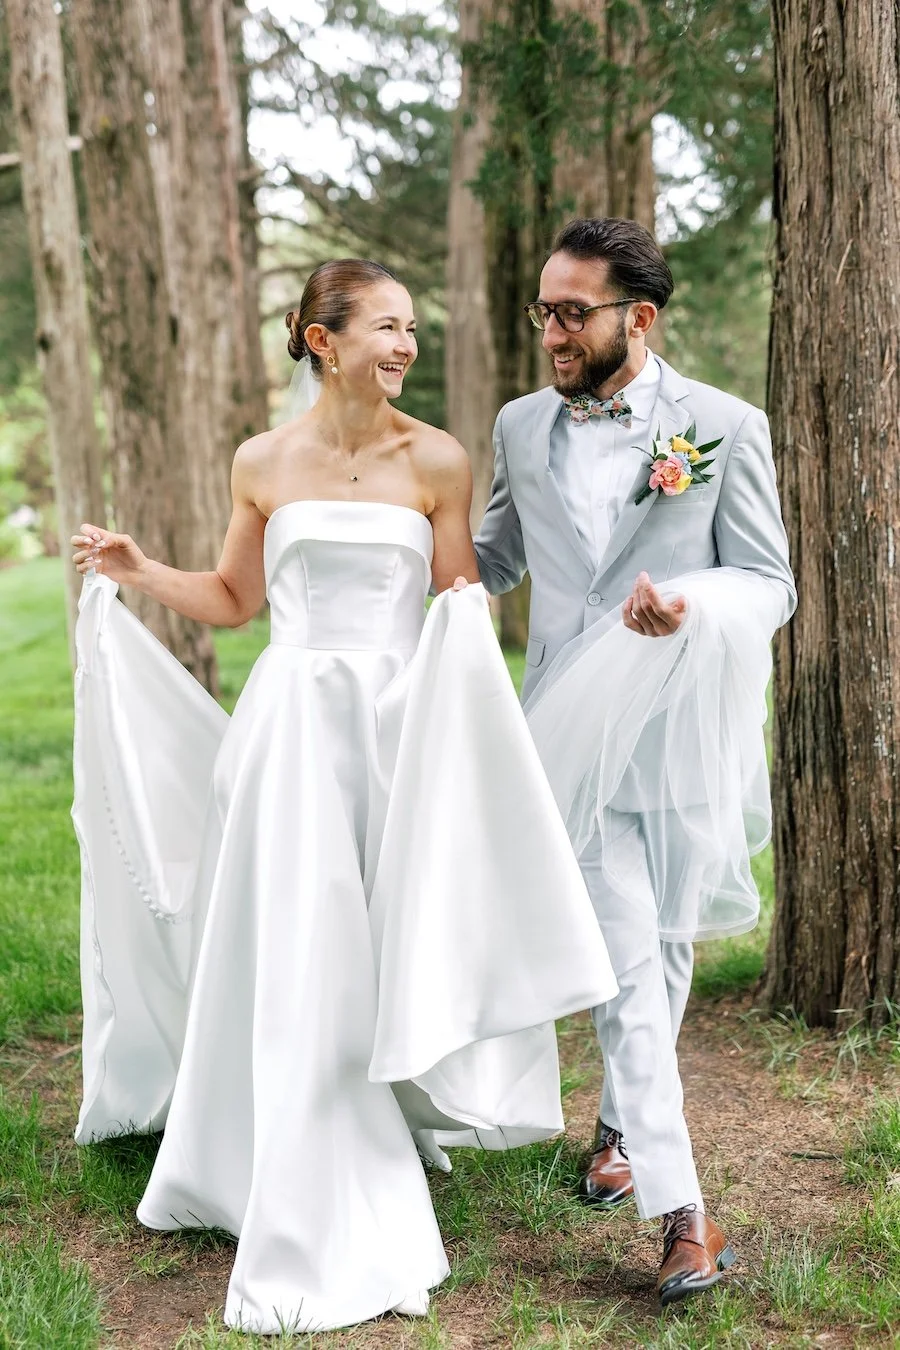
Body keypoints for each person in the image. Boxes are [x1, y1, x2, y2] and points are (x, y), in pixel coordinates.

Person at [70, 258, 618, 1335]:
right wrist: (140, 570)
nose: (405, 345)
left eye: (412, 327)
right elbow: (234, 600)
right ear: (322, 340)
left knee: (385, 923)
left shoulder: (440, 460)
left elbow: (460, 603)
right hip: (292, 732)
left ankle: (396, 1091)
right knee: (303, 934)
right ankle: (288, 1135)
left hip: (397, 724)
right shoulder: (262, 461)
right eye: (384, 327)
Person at [474, 217, 796, 1306]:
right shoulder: (521, 425)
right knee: (622, 955)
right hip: (568, 722)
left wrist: (691, 604)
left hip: (679, 718)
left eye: (574, 313)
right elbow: (495, 555)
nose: (553, 333)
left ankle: (614, 1128)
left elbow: (768, 577)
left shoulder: (724, 426)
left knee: (659, 952)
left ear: (639, 318)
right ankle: (683, 1211)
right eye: (544, 312)